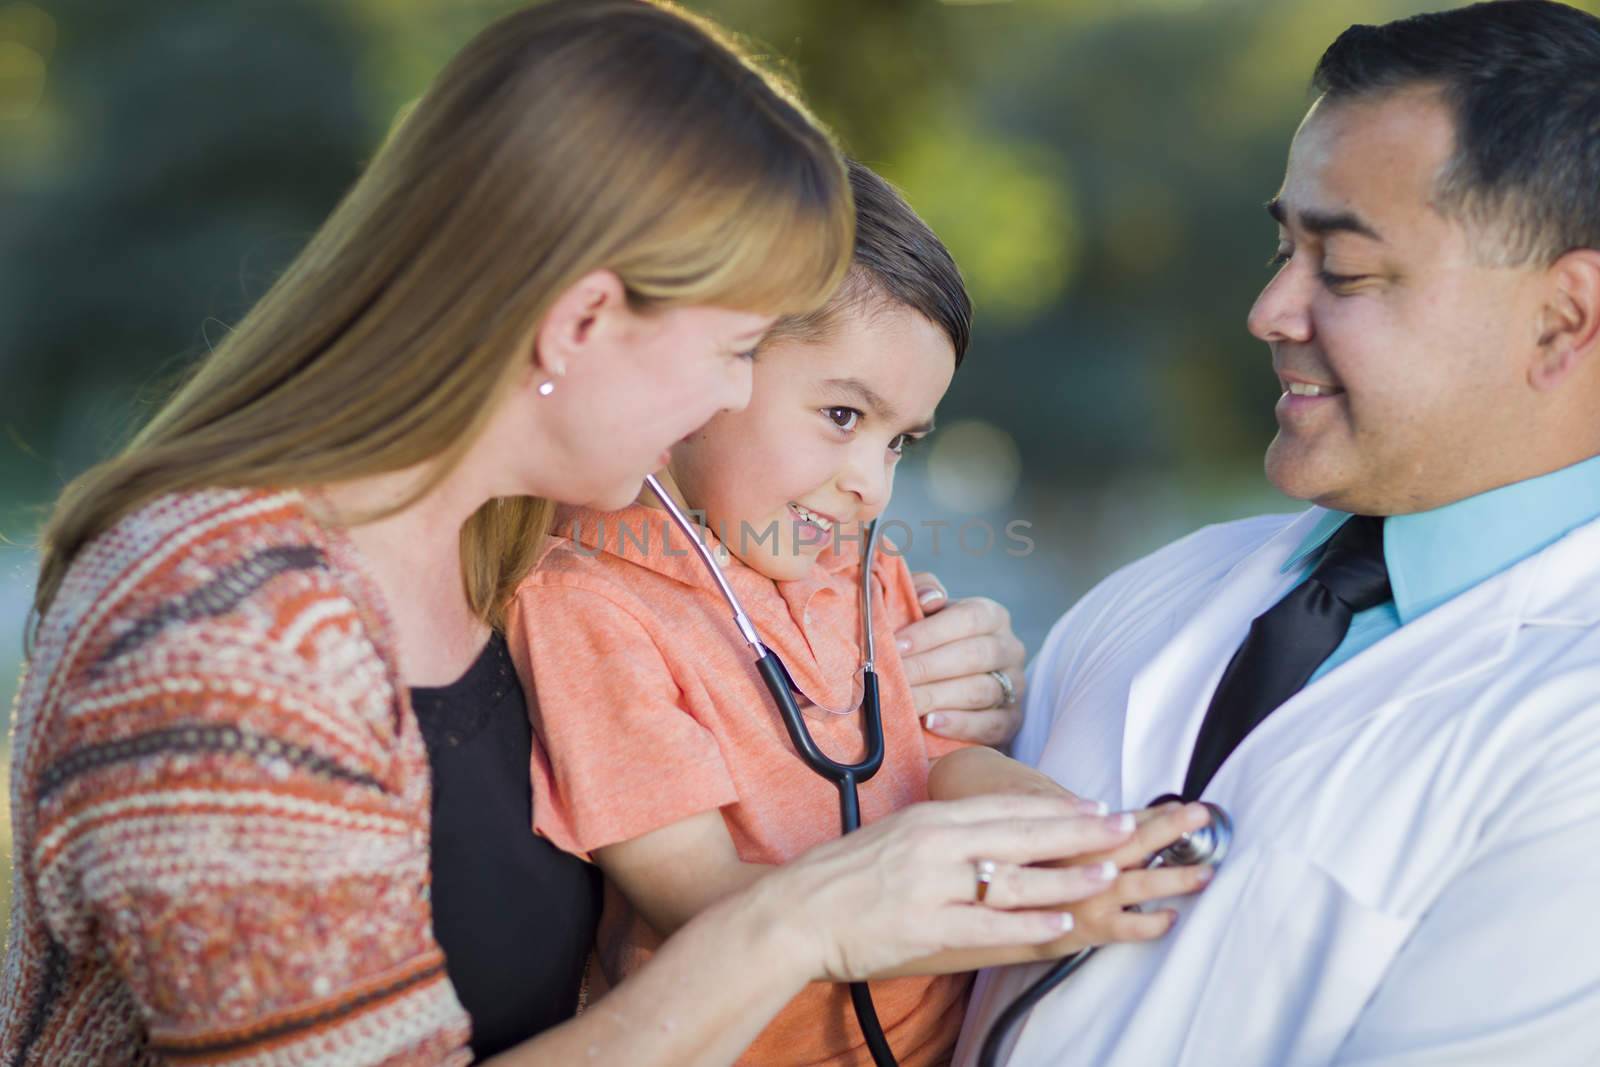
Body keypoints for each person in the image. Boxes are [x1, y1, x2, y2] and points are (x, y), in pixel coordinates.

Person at [0, 3, 1169, 1064]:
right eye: (731, 349)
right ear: (582, 322)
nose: (728, 403)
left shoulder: (513, 550)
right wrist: (805, 918)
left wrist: (960, 693)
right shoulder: (227, 638)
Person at [955, 2, 1600, 1064]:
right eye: (1281, 248)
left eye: (1341, 270)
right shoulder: (1157, 594)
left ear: (1563, 319)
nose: (1268, 309)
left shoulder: (1574, 736)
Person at [508, 160, 1215, 1066]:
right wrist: (1036, 914)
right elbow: (710, 903)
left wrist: (1086, 838)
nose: (870, 484)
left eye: (900, 442)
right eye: (842, 415)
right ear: (708, 371)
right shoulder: (589, 607)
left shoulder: (856, 566)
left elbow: (944, 757)